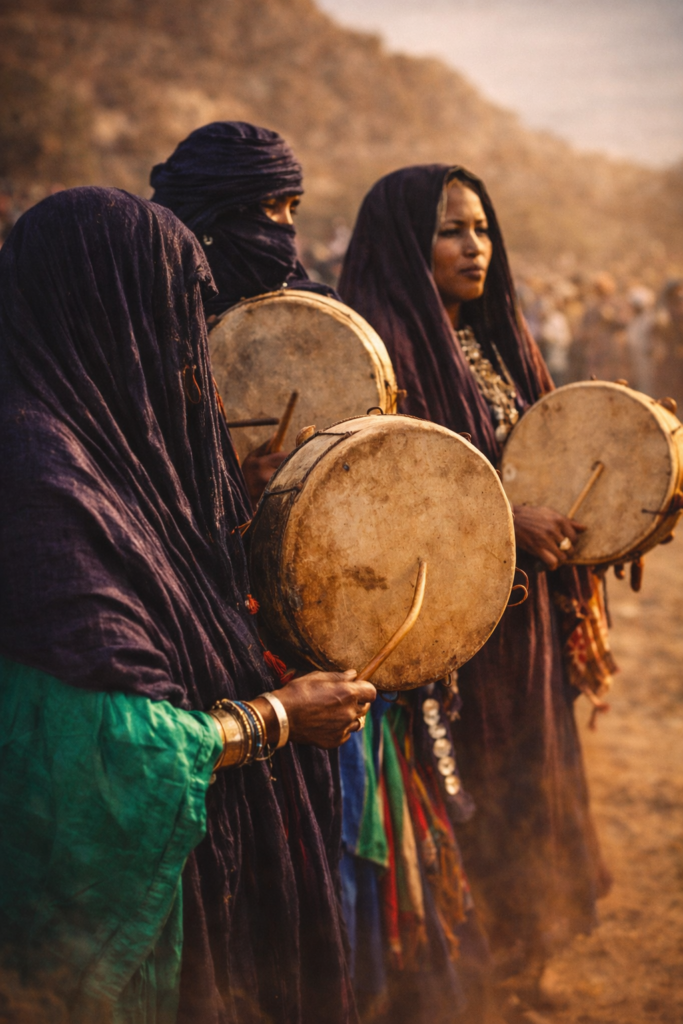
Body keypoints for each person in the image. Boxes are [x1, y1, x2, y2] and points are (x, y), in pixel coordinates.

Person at [0, 186, 376, 1023]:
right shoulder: (36, 472)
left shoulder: (103, 443)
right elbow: (102, 748)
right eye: (177, 313)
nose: (193, 351)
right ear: (110, 312)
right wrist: (277, 716)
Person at [338, 166, 615, 1005]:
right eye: (452, 228)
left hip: (526, 623)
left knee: (532, 776)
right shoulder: (378, 355)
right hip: (446, 638)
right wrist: (505, 519)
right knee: (470, 795)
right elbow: (385, 501)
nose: (475, 246)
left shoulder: (498, 342)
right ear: (402, 241)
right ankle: (472, 967)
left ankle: (527, 949)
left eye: (483, 228)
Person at [150, 121, 336, 508]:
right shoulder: (151, 337)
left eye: (293, 207)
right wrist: (233, 492)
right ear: (209, 218)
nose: (287, 225)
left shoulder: (318, 317)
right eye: (271, 206)